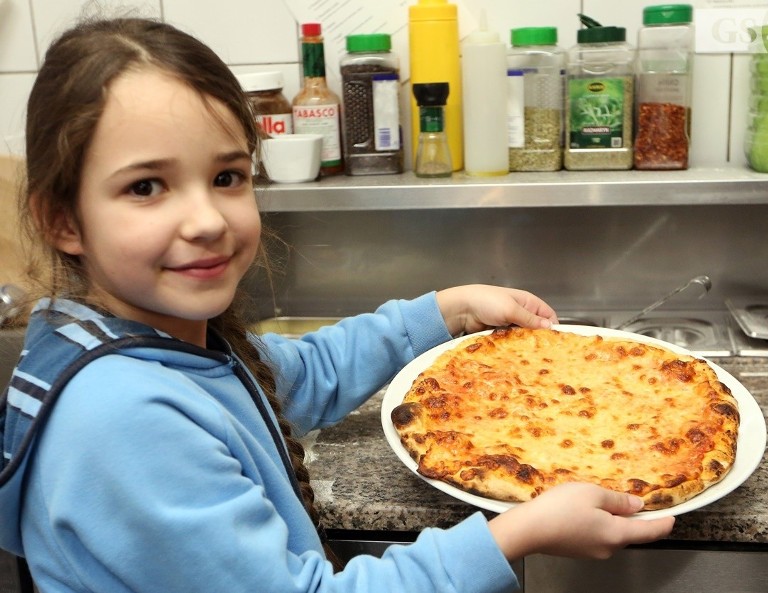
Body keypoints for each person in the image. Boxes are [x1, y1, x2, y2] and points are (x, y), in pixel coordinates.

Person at [0, 17, 674, 593]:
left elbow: (297, 374)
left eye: (227, 176)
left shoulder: (150, 341)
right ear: (62, 218)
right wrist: (514, 534)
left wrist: (444, 308)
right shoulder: (122, 420)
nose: (206, 218)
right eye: (147, 186)